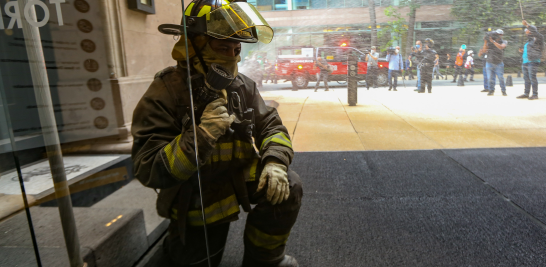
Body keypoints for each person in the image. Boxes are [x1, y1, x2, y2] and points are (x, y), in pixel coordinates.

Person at [132, 0, 302, 266]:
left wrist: (275, 163)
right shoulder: (166, 92)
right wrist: (202, 135)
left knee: (288, 186)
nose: (232, 58)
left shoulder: (242, 86)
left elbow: (271, 125)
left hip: (236, 176)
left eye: (236, 49)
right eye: (222, 47)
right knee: (196, 259)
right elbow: (148, 168)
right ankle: (174, 251)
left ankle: (265, 260)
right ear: (193, 45)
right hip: (197, 195)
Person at [517, 20, 543, 100]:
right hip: (525, 61)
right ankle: (526, 93)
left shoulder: (539, 37)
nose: (526, 32)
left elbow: (535, 33)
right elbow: (530, 50)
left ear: (532, 31)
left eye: (527, 31)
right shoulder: (528, 41)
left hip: (533, 61)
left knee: (532, 77)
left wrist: (527, 25)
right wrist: (523, 51)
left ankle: (535, 94)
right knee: (526, 78)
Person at [483, 29, 508, 96]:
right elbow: (484, 50)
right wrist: (485, 41)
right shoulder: (490, 42)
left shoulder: (504, 41)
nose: (497, 35)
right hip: (489, 62)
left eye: (499, 34)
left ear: (502, 35)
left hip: (498, 62)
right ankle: (491, 90)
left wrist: (493, 41)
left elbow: (501, 47)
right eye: (496, 34)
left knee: (500, 77)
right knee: (490, 78)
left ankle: (503, 90)